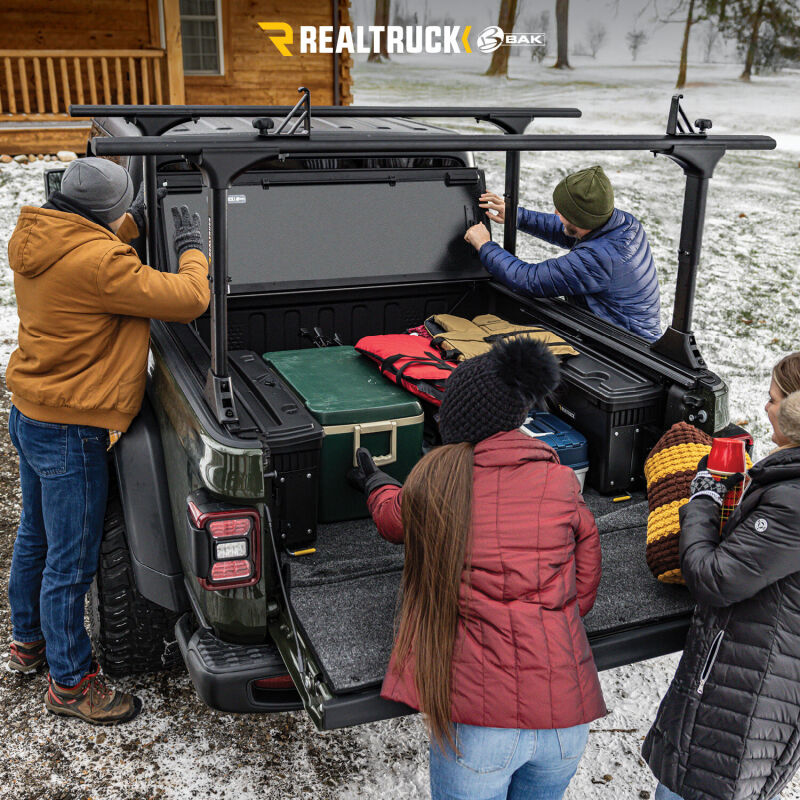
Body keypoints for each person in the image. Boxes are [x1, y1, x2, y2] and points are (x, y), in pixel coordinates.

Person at [348, 337, 607, 800]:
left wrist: (376, 483)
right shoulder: (561, 479)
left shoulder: (438, 477)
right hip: (565, 720)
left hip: (480, 729)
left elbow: (393, 520)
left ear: (459, 418)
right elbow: (583, 589)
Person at [5, 157, 210, 725]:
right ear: (102, 214)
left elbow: (91, 243)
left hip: (34, 410)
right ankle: (70, 684)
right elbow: (190, 297)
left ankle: (28, 643)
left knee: (36, 538)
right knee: (70, 564)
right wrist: (193, 245)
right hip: (75, 425)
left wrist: (132, 219)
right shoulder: (101, 264)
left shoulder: (38, 235)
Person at [643, 352, 800, 800]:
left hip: (743, 692)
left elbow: (715, 577)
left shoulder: (793, 501)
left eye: (774, 400)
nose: (766, 407)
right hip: (761, 679)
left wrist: (703, 501)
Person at [464, 165, 661, 342]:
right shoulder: (623, 223)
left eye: (562, 211)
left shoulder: (597, 259)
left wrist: (485, 245)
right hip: (627, 334)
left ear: (580, 219)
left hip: (626, 347)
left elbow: (527, 279)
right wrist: (517, 216)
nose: (556, 213)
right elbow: (564, 228)